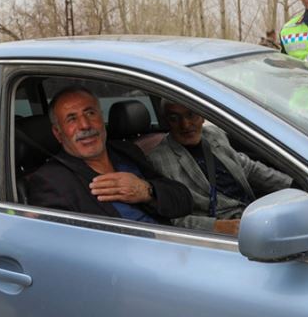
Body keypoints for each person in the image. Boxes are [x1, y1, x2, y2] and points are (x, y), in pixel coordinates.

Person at [27, 87, 192, 223]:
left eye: (90, 113)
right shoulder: (50, 180)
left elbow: (183, 201)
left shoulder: (127, 151)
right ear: (58, 133)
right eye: (71, 119)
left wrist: (146, 191)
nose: (84, 125)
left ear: (102, 118)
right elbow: (65, 247)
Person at [146, 101, 293, 236]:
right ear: (166, 122)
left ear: (202, 116)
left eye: (191, 114)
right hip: (222, 234)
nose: (185, 124)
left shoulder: (215, 135)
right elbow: (171, 219)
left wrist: (294, 186)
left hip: (254, 214)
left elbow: (250, 169)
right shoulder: (158, 160)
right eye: (174, 118)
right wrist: (217, 226)